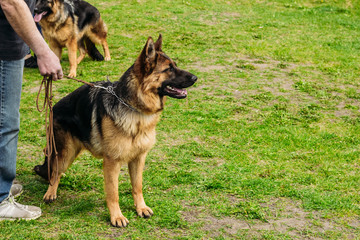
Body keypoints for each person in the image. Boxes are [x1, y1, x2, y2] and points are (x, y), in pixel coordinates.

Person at [0, 0, 63, 220]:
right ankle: (0, 200)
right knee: (4, 123)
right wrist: (43, 51)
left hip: (11, 40)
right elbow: (10, 2)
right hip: (3, 47)